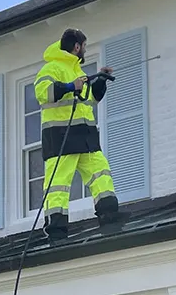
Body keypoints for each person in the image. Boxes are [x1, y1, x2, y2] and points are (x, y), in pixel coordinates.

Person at [33, 28, 122, 242]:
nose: (85, 50)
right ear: (76, 47)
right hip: (61, 138)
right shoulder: (52, 68)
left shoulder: (77, 72)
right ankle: (56, 229)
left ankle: (109, 216)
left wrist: (100, 80)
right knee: (58, 184)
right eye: (84, 46)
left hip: (85, 138)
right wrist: (69, 86)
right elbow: (42, 92)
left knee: (101, 173)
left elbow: (89, 99)